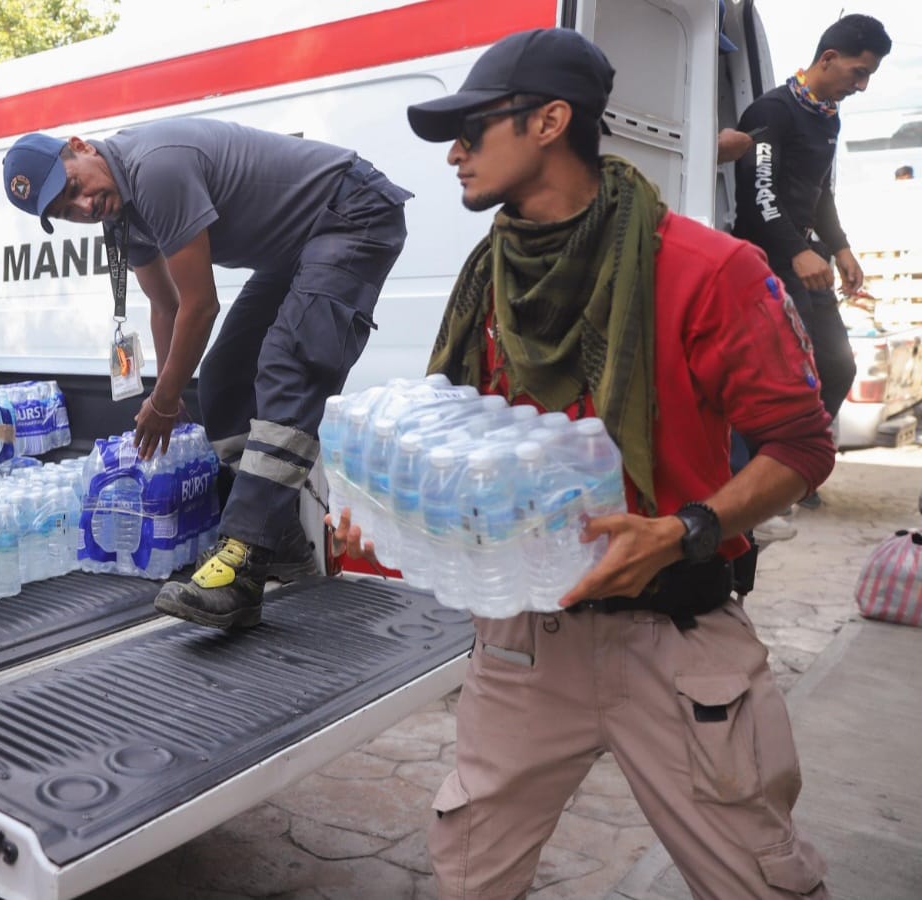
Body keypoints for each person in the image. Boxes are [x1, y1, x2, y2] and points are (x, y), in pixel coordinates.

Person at [334, 28, 836, 898]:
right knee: (468, 872)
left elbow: (803, 444)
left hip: (673, 639)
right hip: (525, 640)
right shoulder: (492, 276)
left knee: (758, 878)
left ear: (549, 122)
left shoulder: (710, 270)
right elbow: (468, 442)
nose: (453, 154)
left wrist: (687, 530)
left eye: (472, 129)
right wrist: (397, 515)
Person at [0, 119, 410, 628]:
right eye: (65, 211)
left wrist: (167, 401)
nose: (82, 207)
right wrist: (168, 392)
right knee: (222, 379)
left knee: (287, 363)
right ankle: (279, 539)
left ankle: (242, 563)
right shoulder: (121, 216)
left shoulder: (155, 169)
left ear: (80, 148)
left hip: (352, 212)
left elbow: (201, 306)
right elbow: (165, 306)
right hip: (301, 246)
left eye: (74, 188)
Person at [733, 13, 891, 509]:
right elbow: (756, 194)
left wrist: (839, 246)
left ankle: (789, 467)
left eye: (868, 77)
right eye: (858, 73)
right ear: (828, 59)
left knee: (838, 366)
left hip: (809, 257)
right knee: (785, 371)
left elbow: (820, 192)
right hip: (768, 257)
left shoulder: (828, 116)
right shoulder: (771, 111)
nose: (861, 86)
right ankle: (762, 478)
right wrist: (797, 251)